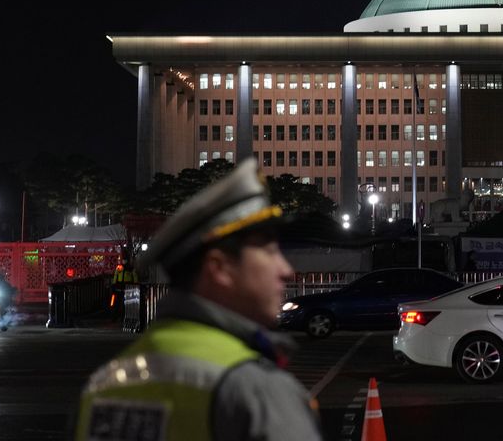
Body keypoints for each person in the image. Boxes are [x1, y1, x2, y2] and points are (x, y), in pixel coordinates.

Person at [74, 158, 324, 440]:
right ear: (219, 268)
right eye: (269, 251)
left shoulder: (102, 386)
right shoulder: (255, 390)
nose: (286, 270)